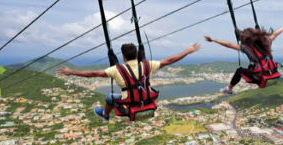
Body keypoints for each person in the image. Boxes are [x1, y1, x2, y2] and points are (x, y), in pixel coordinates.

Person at [56, 43, 200, 121]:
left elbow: (94, 74)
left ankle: (105, 114)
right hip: (147, 101)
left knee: (109, 97)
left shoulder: (116, 70)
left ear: (124, 58)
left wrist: (72, 72)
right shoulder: (147, 65)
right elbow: (170, 60)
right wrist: (187, 51)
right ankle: (106, 114)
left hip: (128, 104)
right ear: (137, 55)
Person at [204, 21, 283, 94]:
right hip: (272, 73)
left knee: (239, 71)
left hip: (260, 78)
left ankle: (228, 89)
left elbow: (229, 45)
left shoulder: (247, 48)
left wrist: (214, 40)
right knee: (253, 67)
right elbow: (275, 34)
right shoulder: (266, 41)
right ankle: (229, 88)